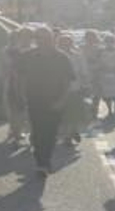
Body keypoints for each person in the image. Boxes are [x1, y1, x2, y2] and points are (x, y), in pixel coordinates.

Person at [17, 26, 75, 176]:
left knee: (50, 132)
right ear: (36, 40)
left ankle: (45, 160)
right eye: (40, 38)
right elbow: (21, 77)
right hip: (34, 99)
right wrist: (22, 95)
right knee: (37, 132)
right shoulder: (27, 56)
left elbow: (67, 81)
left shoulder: (61, 57)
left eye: (47, 38)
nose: (44, 42)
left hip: (55, 99)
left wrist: (62, 99)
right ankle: (41, 163)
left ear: (52, 39)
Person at [0, 28, 34, 145]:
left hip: (32, 84)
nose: (25, 39)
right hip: (12, 83)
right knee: (14, 109)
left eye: (28, 36)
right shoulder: (9, 51)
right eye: (23, 36)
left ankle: (25, 131)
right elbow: (1, 68)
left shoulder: (35, 50)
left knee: (30, 110)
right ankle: (15, 131)